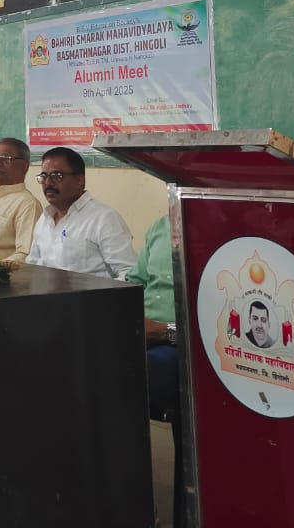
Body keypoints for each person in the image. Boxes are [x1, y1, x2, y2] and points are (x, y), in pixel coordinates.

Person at [126, 213, 184, 528]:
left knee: (122, 378)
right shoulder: (160, 227)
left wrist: (165, 332)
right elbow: (135, 281)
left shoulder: (214, 231)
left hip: (178, 346)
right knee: (80, 363)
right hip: (140, 332)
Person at [25, 147, 135, 279]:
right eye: (44, 176)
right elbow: (32, 267)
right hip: (45, 291)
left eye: (57, 176)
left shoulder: (103, 218)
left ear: (79, 180)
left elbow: (128, 272)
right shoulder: (45, 218)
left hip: (90, 292)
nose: (48, 183)